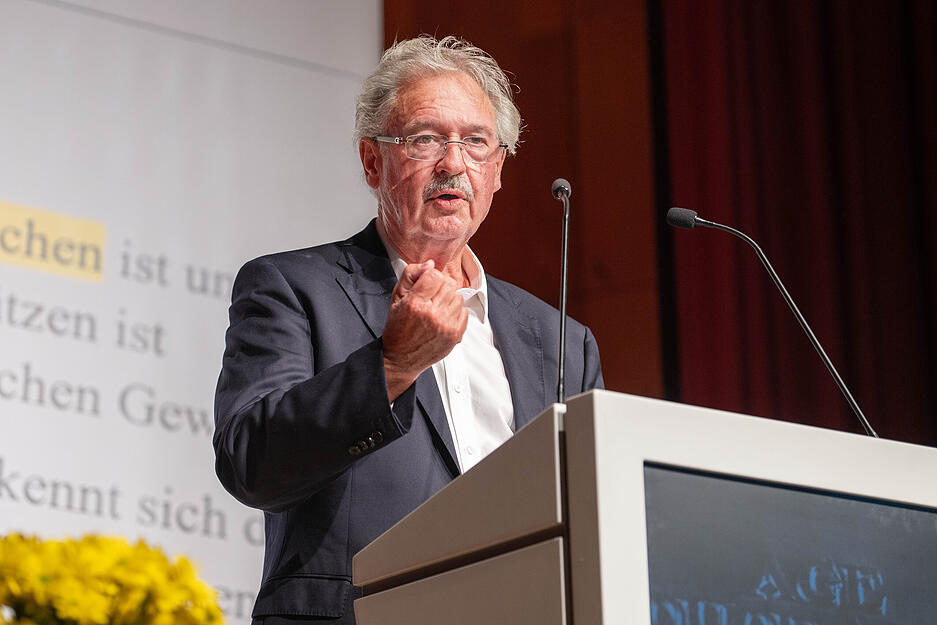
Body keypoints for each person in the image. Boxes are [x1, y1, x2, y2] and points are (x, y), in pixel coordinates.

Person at [213, 35, 604, 625]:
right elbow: (252, 464)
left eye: (475, 142)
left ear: (497, 169)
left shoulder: (562, 343)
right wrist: (391, 365)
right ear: (373, 161)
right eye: (425, 139)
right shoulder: (294, 287)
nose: (454, 164)